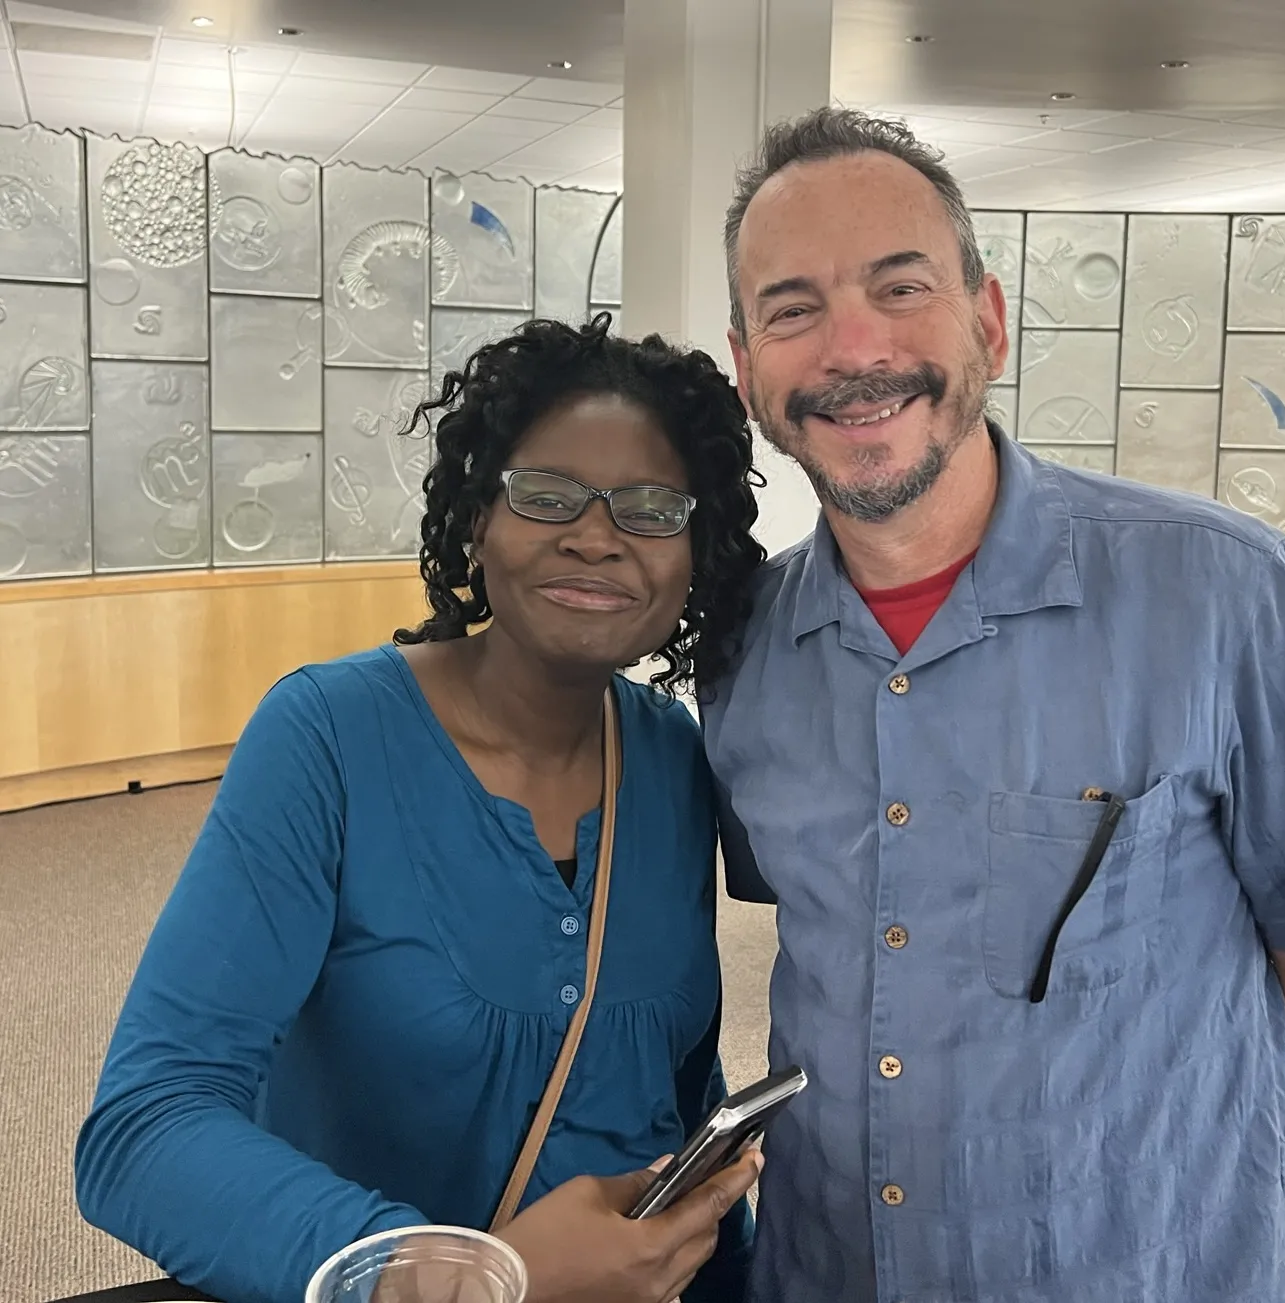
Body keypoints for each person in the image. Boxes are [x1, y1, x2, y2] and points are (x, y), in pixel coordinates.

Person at [703, 107, 1285, 1302]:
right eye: (791, 309)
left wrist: (1166, 1189)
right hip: (822, 1268)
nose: (852, 346)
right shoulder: (745, 646)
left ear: (986, 319)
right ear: (746, 370)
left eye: (899, 286)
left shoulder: (1223, 595)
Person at [76, 314, 768, 1303]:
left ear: (695, 552)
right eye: (545, 494)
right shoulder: (328, 738)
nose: (596, 535)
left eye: (652, 508)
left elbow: (669, 1097)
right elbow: (144, 1128)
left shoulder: (674, 757)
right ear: (477, 519)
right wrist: (478, 1277)